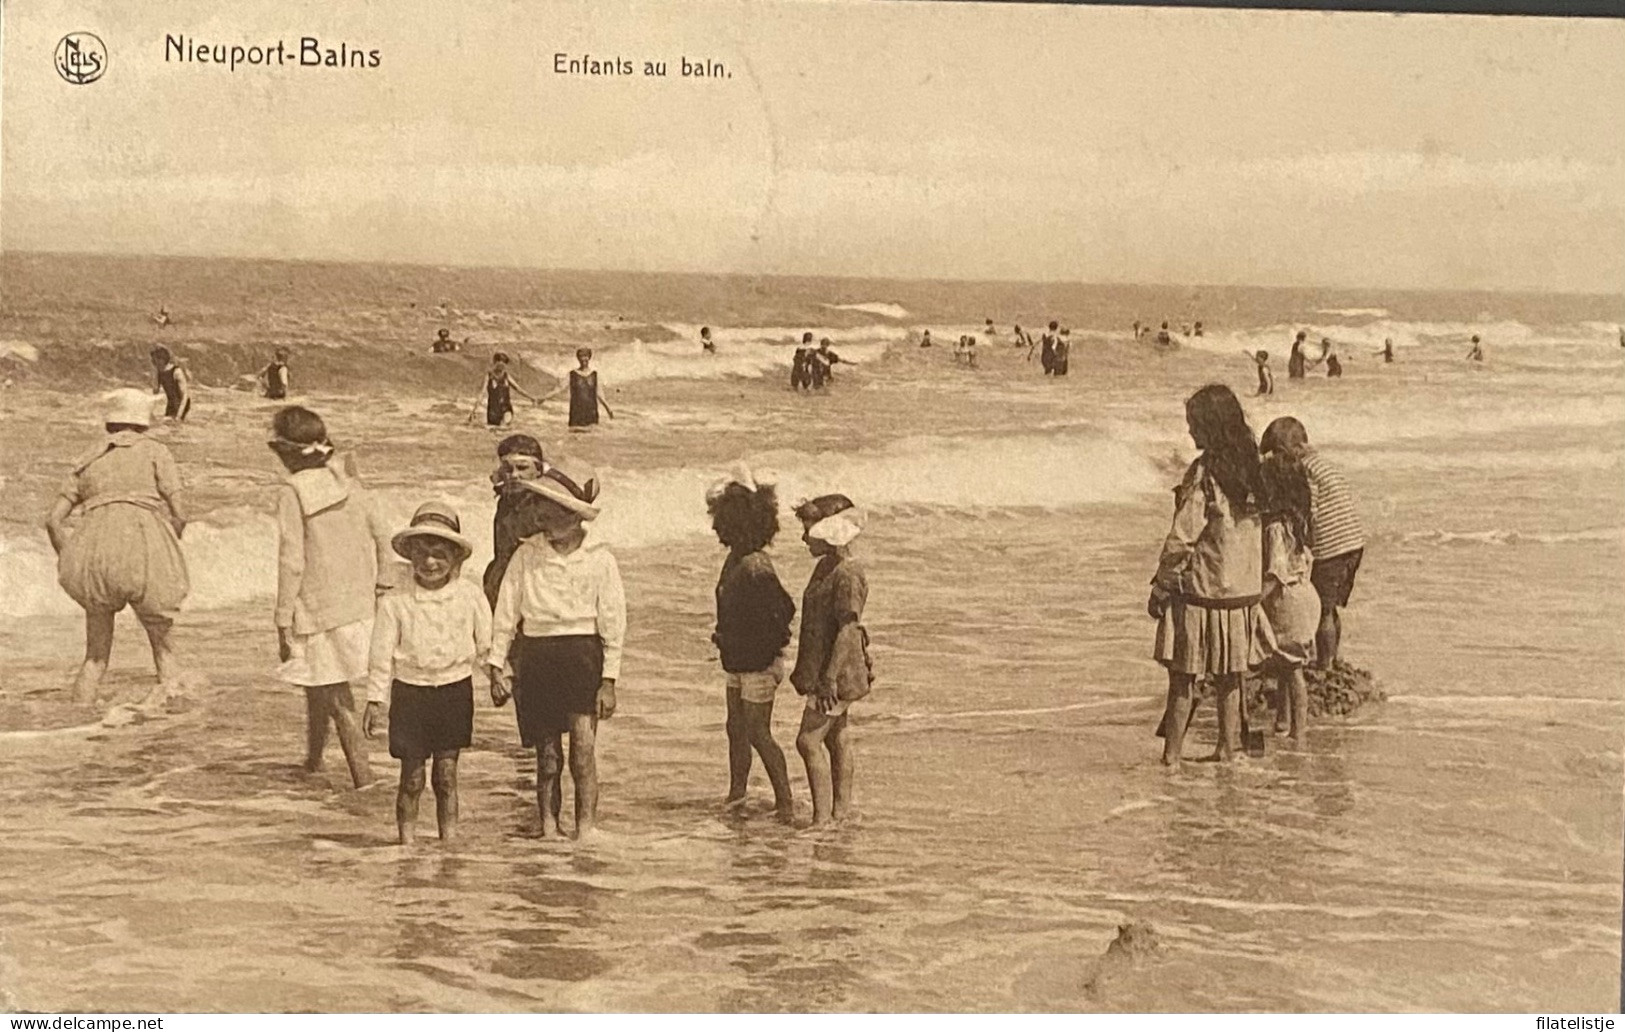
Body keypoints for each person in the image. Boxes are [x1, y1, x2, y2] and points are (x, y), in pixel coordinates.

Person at [488, 459, 625, 840]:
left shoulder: (599, 557)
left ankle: (585, 829)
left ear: (571, 513)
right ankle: (549, 828)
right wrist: (497, 663)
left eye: (546, 507)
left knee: (583, 751)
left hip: (583, 655)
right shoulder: (526, 554)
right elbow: (506, 611)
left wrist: (609, 680)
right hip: (536, 655)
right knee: (547, 757)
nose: (538, 514)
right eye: (537, 506)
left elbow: (613, 622)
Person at [270, 405, 396, 789]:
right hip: (358, 601)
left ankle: (364, 780)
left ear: (286, 452)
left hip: (318, 606)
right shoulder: (349, 481)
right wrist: (384, 584)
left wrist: (282, 617)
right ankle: (312, 761)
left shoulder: (293, 492)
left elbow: (292, 560)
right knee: (318, 683)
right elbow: (382, 534)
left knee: (336, 695)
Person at [1148, 384, 1270, 765]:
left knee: (1184, 676)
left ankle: (1172, 756)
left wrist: (1161, 582)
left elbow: (1183, 536)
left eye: (1193, 424)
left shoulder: (1204, 474)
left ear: (1210, 427)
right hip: (1242, 592)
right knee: (1231, 676)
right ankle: (1226, 748)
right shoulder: (1253, 471)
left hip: (1203, 590)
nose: (1189, 432)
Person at [45, 389, 190, 704]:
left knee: (95, 658)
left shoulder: (88, 459)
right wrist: (163, 547)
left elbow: (53, 521)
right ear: (143, 423)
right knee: (164, 649)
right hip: (143, 547)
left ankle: (77, 724)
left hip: (94, 554)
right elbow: (181, 514)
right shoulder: (155, 451)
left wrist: (71, 556)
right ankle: (172, 726)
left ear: (109, 423)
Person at [364, 502, 493, 846]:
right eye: (421, 554)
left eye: (439, 554)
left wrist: (497, 676)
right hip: (410, 693)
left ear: (456, 557)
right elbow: (380, 654)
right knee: (411, 777)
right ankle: (406, 844)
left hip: (454, 691)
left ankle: (448, 844)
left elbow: (486, 647)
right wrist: (375, 699)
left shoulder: (470, 596)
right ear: (410, 556)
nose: (430, 562)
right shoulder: (396, 600)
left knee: (447, 776)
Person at [707, 466, 797, 819]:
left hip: (758, 661)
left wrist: (763, 647)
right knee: (736, 728)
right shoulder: (737, 560)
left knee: (758, 732)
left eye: (721, 523)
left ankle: (785, 800)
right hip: (737, 659)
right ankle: (737, 792)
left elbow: (784, 610)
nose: (716, 529)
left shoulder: (755, 566)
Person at [790, 494, 873, 825]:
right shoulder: (828, 567)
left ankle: (822, 820)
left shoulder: (846, 574)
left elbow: (848, 630)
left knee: (808, 741)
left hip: (835, 673)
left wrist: (828, 679)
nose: (804, 537)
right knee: (837, 736)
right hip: (830, 669)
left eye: (809, 531)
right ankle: (840, 813)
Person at [1259, 416, 1365, 670]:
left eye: (1276, 454)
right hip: (1352, 542)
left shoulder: (1305, 470)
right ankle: (1332, 657)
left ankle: (1325, 664)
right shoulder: (1323, 464)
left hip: (1332, 547)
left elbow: (1309, 508)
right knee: (1331, 606)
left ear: (1293, 450)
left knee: (1324, 610)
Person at [1257, 453, 1320, 743]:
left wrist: (1253, 602)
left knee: (1291, 668)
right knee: (1288, 665)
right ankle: (1285, 722)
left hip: (1287, 600)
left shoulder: (1274, 529)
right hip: (1307, 594)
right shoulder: (1301, 522)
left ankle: (1299, 731)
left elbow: (1274, 573)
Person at [483, 434, 547, 609]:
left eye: (522, 468)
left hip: (535, 583)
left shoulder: (546, 506)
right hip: (502, 578)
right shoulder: (506, 498)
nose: (514, 475)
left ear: (539, 471)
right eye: (508, 469)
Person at [479, 352, 537, 428]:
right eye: (500, 362)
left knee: (504, 426)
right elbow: (482, 392)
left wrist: (531, 398)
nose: (503, 365)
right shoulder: (489, 376)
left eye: (504, 363)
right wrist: (474, 410)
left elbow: (518, 389)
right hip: (493, 412)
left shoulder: (506, 376)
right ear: (495, 362)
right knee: (495, 432)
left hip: (506, 409)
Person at [566, 348, 613, 428]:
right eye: (581, 356)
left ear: (589, 357)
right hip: (576, 412)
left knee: (592, 438)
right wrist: (544, 398)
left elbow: (600, 394)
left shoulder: (594, 375)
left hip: (591, 412)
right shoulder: (572, 374)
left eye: (586, 356)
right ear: (578, 358)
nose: (584, 359)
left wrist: (608, 409)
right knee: (575, 437)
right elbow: (559, 389)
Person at [150, 346, 191, 422]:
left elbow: (185, 395)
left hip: (182, 403)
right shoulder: (160, 372)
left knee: (173, 424)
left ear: (162, 359)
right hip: (171, 403)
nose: (153, 362)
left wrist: (179, 415)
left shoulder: (176, 371)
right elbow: (155, 392)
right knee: (167, 425)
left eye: (155, 360)